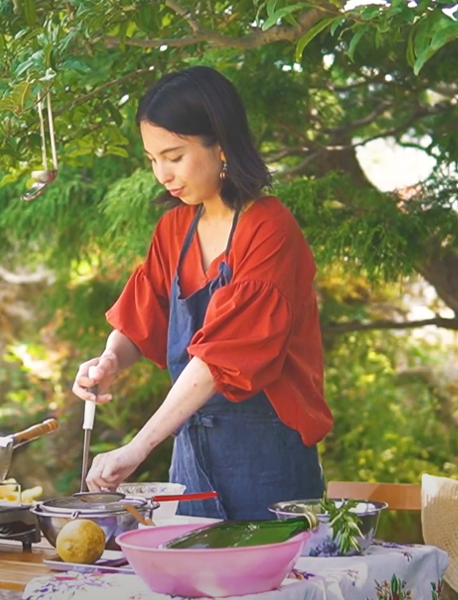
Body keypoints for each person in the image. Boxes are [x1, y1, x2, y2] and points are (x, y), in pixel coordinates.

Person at [72, 66, 333, 520]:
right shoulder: (174, 228)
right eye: (153, 159)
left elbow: (220, 360)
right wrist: (112, 359)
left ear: (221, 144)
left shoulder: (269, 229)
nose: (162, 174)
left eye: (173, 156)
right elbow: (141, 318)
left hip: (268, 468)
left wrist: (137, 448)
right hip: (189, 462)